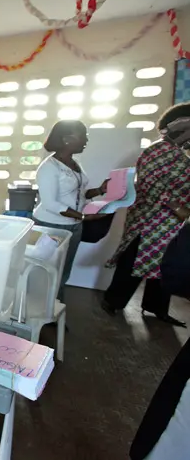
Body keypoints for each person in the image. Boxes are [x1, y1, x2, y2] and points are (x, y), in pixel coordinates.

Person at [101, 103, 190, 327]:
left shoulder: (176, 152)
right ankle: (112, 302)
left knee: (162, 267)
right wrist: (176, 207)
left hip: (168, 224)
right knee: (133, 262)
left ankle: (156, 308)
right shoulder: (158, 150)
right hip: (149, 220)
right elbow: (149, 186)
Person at [32, 120, 108, 303]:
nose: (86, 140)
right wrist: (82, 216)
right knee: (45, 269)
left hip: (73, 226)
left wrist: (99, 190)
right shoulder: (49, 167)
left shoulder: (74, 163)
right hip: (51, 226)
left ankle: (55, 306)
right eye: (83, 136)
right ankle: (38, 308)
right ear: (66, 139)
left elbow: (80, 194)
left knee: (64, 269)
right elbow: (50, 203)